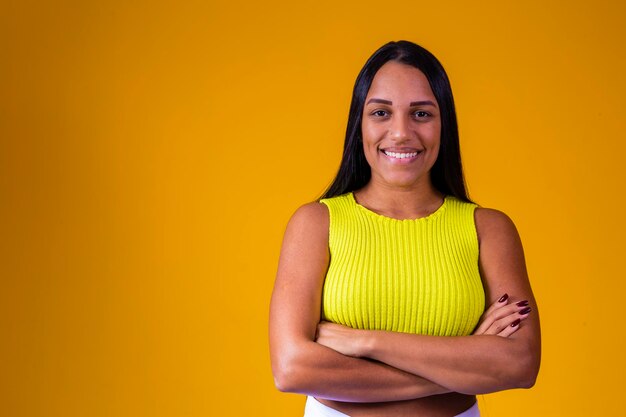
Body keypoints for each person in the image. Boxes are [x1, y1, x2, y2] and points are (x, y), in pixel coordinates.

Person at [269, 40, 541, 417]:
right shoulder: (316, 223)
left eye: (421, 114)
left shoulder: (488, 229)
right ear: (358, 124)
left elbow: (520, 364)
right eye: (381, 112)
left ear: (443, 123)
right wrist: (466, 365)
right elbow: (291, 368)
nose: (400, 133)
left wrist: (365, 341)